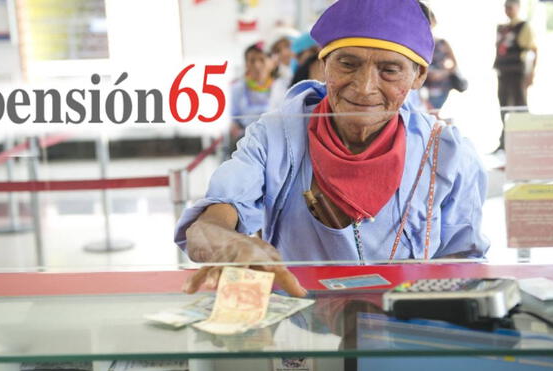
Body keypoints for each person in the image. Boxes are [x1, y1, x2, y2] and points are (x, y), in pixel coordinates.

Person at [176, 0, 489, 297]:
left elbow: (465, 263)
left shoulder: (448, 156)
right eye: (347, 64)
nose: (364, 86)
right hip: (298, 333)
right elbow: (208, 224)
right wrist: (227, 243)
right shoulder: (276, 137)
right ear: (323, 64)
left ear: (418, 75)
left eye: (389, 70)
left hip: (403, 333)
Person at [494, 0, 538, 151]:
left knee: (520, 106)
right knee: (504, 106)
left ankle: (526, 142)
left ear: (517, 8)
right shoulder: (502, 28)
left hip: (517, 72)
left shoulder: (523, 26)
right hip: (503, 71)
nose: (508, 10)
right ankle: (505, 142)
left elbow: (533, 50)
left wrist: (531, 73)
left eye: (510, 7)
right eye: (506, 7)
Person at [230, 42, 276, 141]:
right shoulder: (238, 88)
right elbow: (235, 120)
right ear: (246, 64)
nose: (257, 65)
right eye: (252, 60)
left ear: (272, 63)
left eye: (262, 60)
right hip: (245, 140)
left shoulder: (280, 87)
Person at [422, 8, 461, 110]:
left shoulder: (442, 43)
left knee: (433, 112)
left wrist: (442, 73)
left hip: (441, 87)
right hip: (422, 86)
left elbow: (454, 65)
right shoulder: (419, 44)